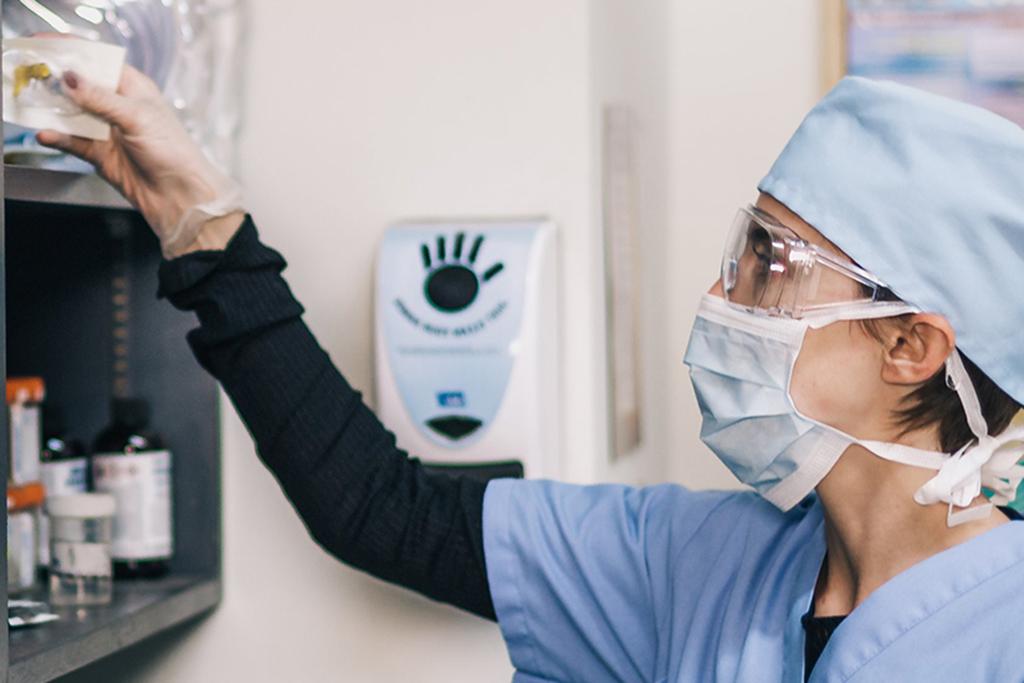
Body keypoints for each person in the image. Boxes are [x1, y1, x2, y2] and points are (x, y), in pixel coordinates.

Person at [38, 66, 1024, 682]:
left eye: (768, 264)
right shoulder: (708, 565)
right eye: (740, 248)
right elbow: (383, 509)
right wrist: (206, 235)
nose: (722, 294)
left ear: (910, 347)